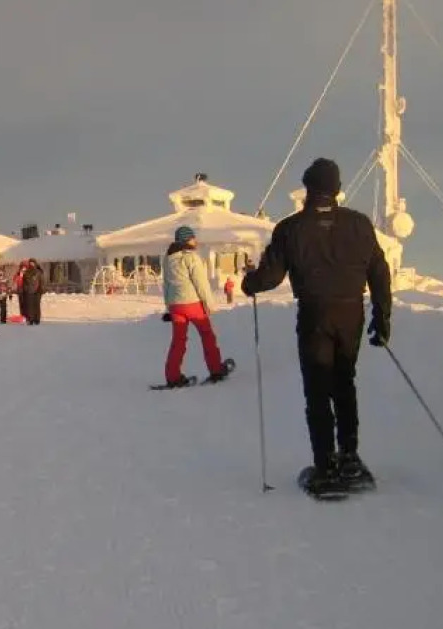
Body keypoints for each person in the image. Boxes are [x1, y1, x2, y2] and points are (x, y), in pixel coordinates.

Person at [241, 157, 392, 495]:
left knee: (318, 389)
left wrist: (250, 282)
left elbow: (271, 277)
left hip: (314, 314)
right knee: (344, 383)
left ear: (308, 187)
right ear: (336, 189)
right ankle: (350, 457)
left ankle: (325, 465)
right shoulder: (359, 224)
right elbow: (379, 272)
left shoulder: (290, 228)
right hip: (352, 312)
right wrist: (383, 317)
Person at [161, 225, 228, 387]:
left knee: (178, 341)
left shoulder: (168, 259)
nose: (195, 240)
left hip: (176, 305)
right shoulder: (191, 257)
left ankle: (173, 376)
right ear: (187, 240)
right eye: (193, 238)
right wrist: (209, 305)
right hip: (192, 304)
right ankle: (216, 369)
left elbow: (166, 284)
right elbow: (201, 284)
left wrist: (168, 307)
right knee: (207, 336)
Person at [20, 259, 45, 324]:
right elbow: (24, 282)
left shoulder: (38, 272)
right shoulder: (26, 272)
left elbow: (41, 281)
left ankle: (37, 319)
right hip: (29, 292)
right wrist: (25, 289)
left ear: (35, 264)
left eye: (32, 263)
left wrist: (40, 290)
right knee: (29, 306)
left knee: (36, 306)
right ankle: (30, 319)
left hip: (37, 291)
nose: (31, 264)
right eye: (30, 263)